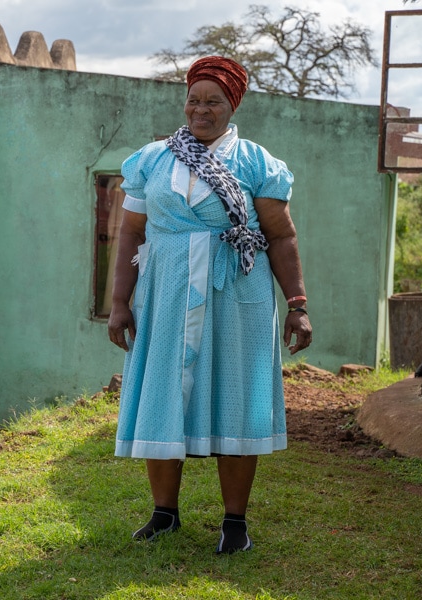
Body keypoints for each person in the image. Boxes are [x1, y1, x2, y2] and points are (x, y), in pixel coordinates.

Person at [106, 56, 312, 554]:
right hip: (167, 295)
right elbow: (131, 231)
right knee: (163, 393)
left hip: (236, 295)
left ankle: (235, 523)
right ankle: (164, 514)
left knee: (235, 396)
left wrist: (298, 303)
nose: (201, 110)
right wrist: (119, 302)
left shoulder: (256, 163)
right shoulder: (152, 160)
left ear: (231, 105)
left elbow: (280, 236)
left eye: (213, 101)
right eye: (194, 100)